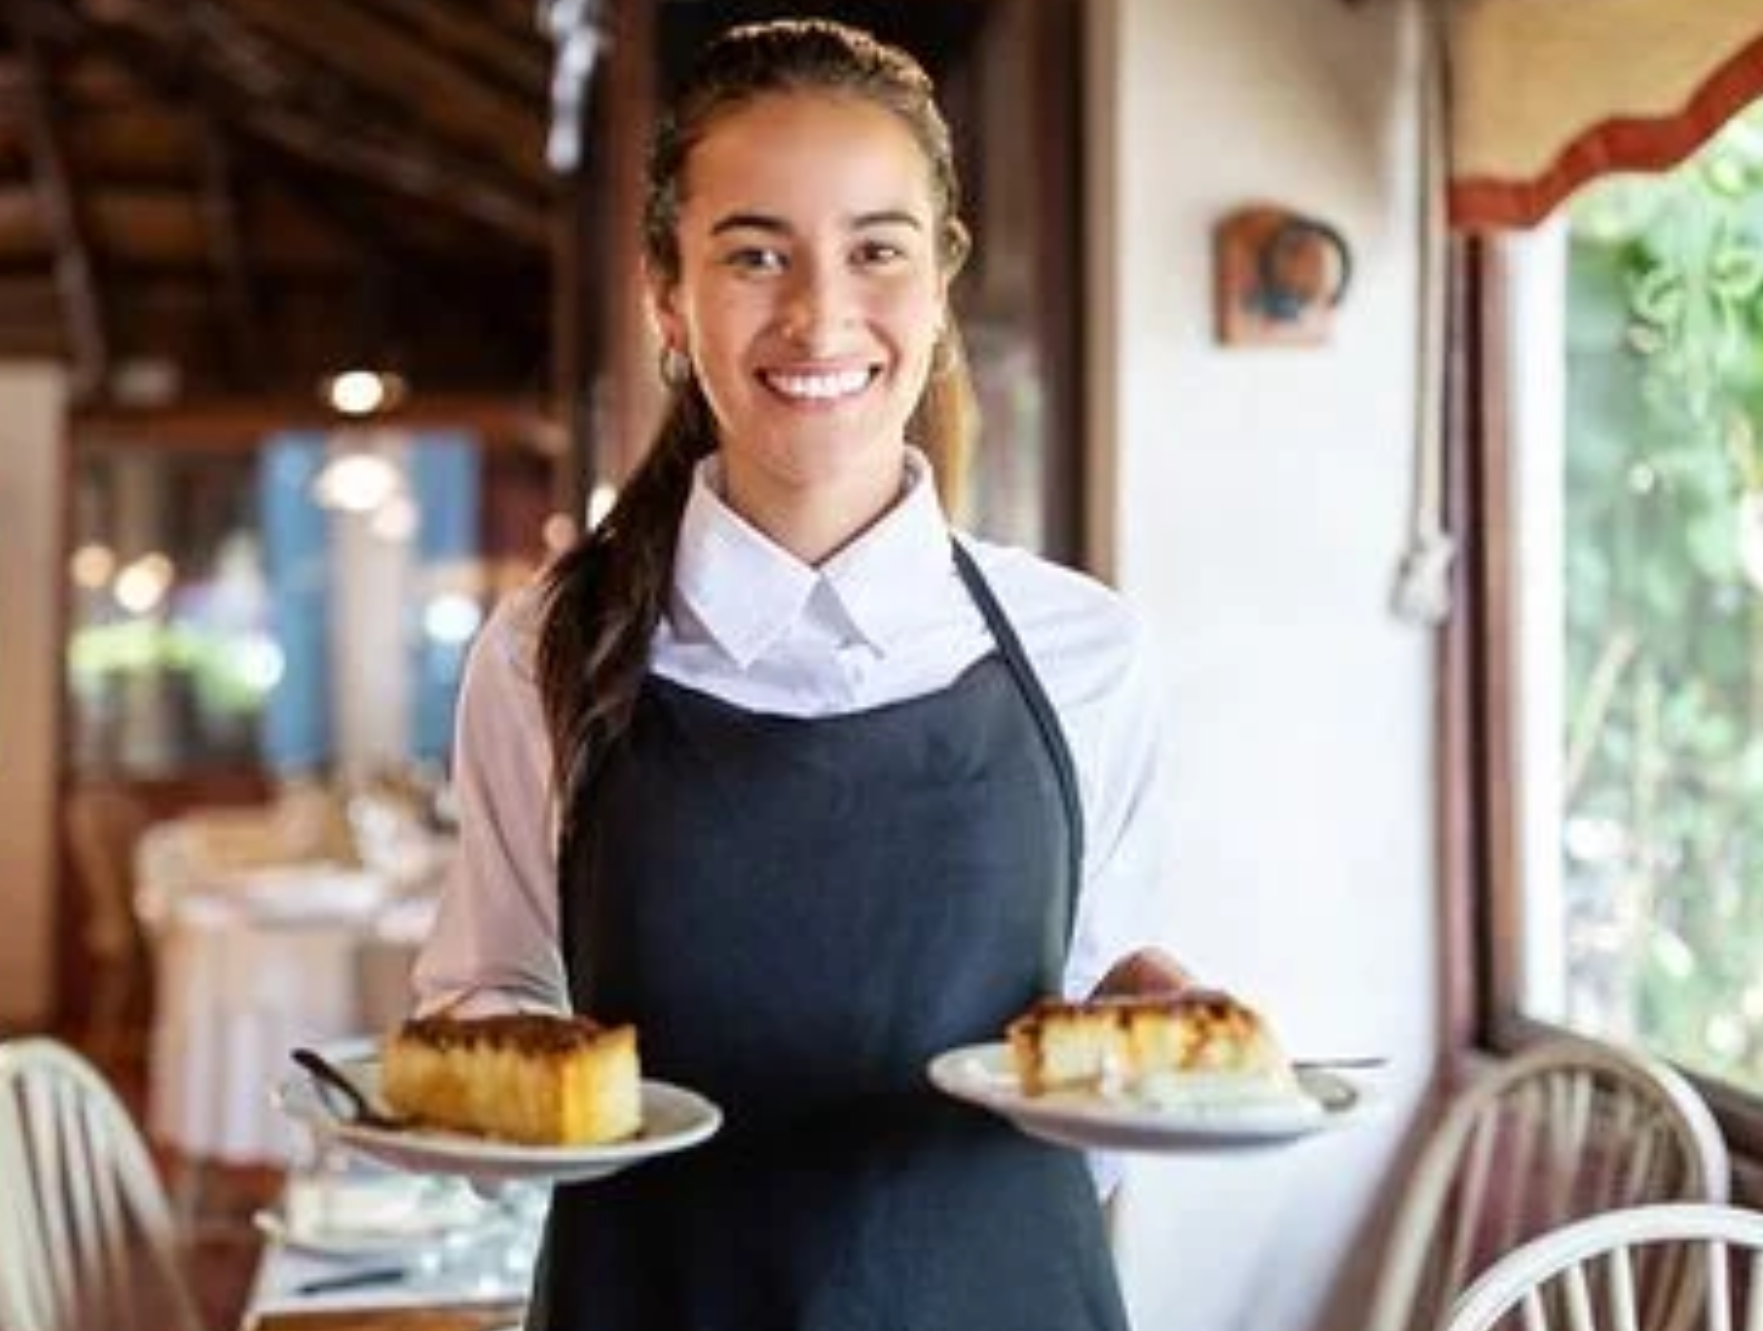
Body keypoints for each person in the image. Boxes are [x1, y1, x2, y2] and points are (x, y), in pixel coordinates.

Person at [415, 17, 1192, 1329]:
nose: (820, 312)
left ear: (940, 282)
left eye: (876, 250)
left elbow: (1092, 1081)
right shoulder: (548, 648)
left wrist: (1157, 1014)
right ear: (669, 294)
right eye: (754, 252)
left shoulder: (1089, 653)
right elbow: (489, 1000)